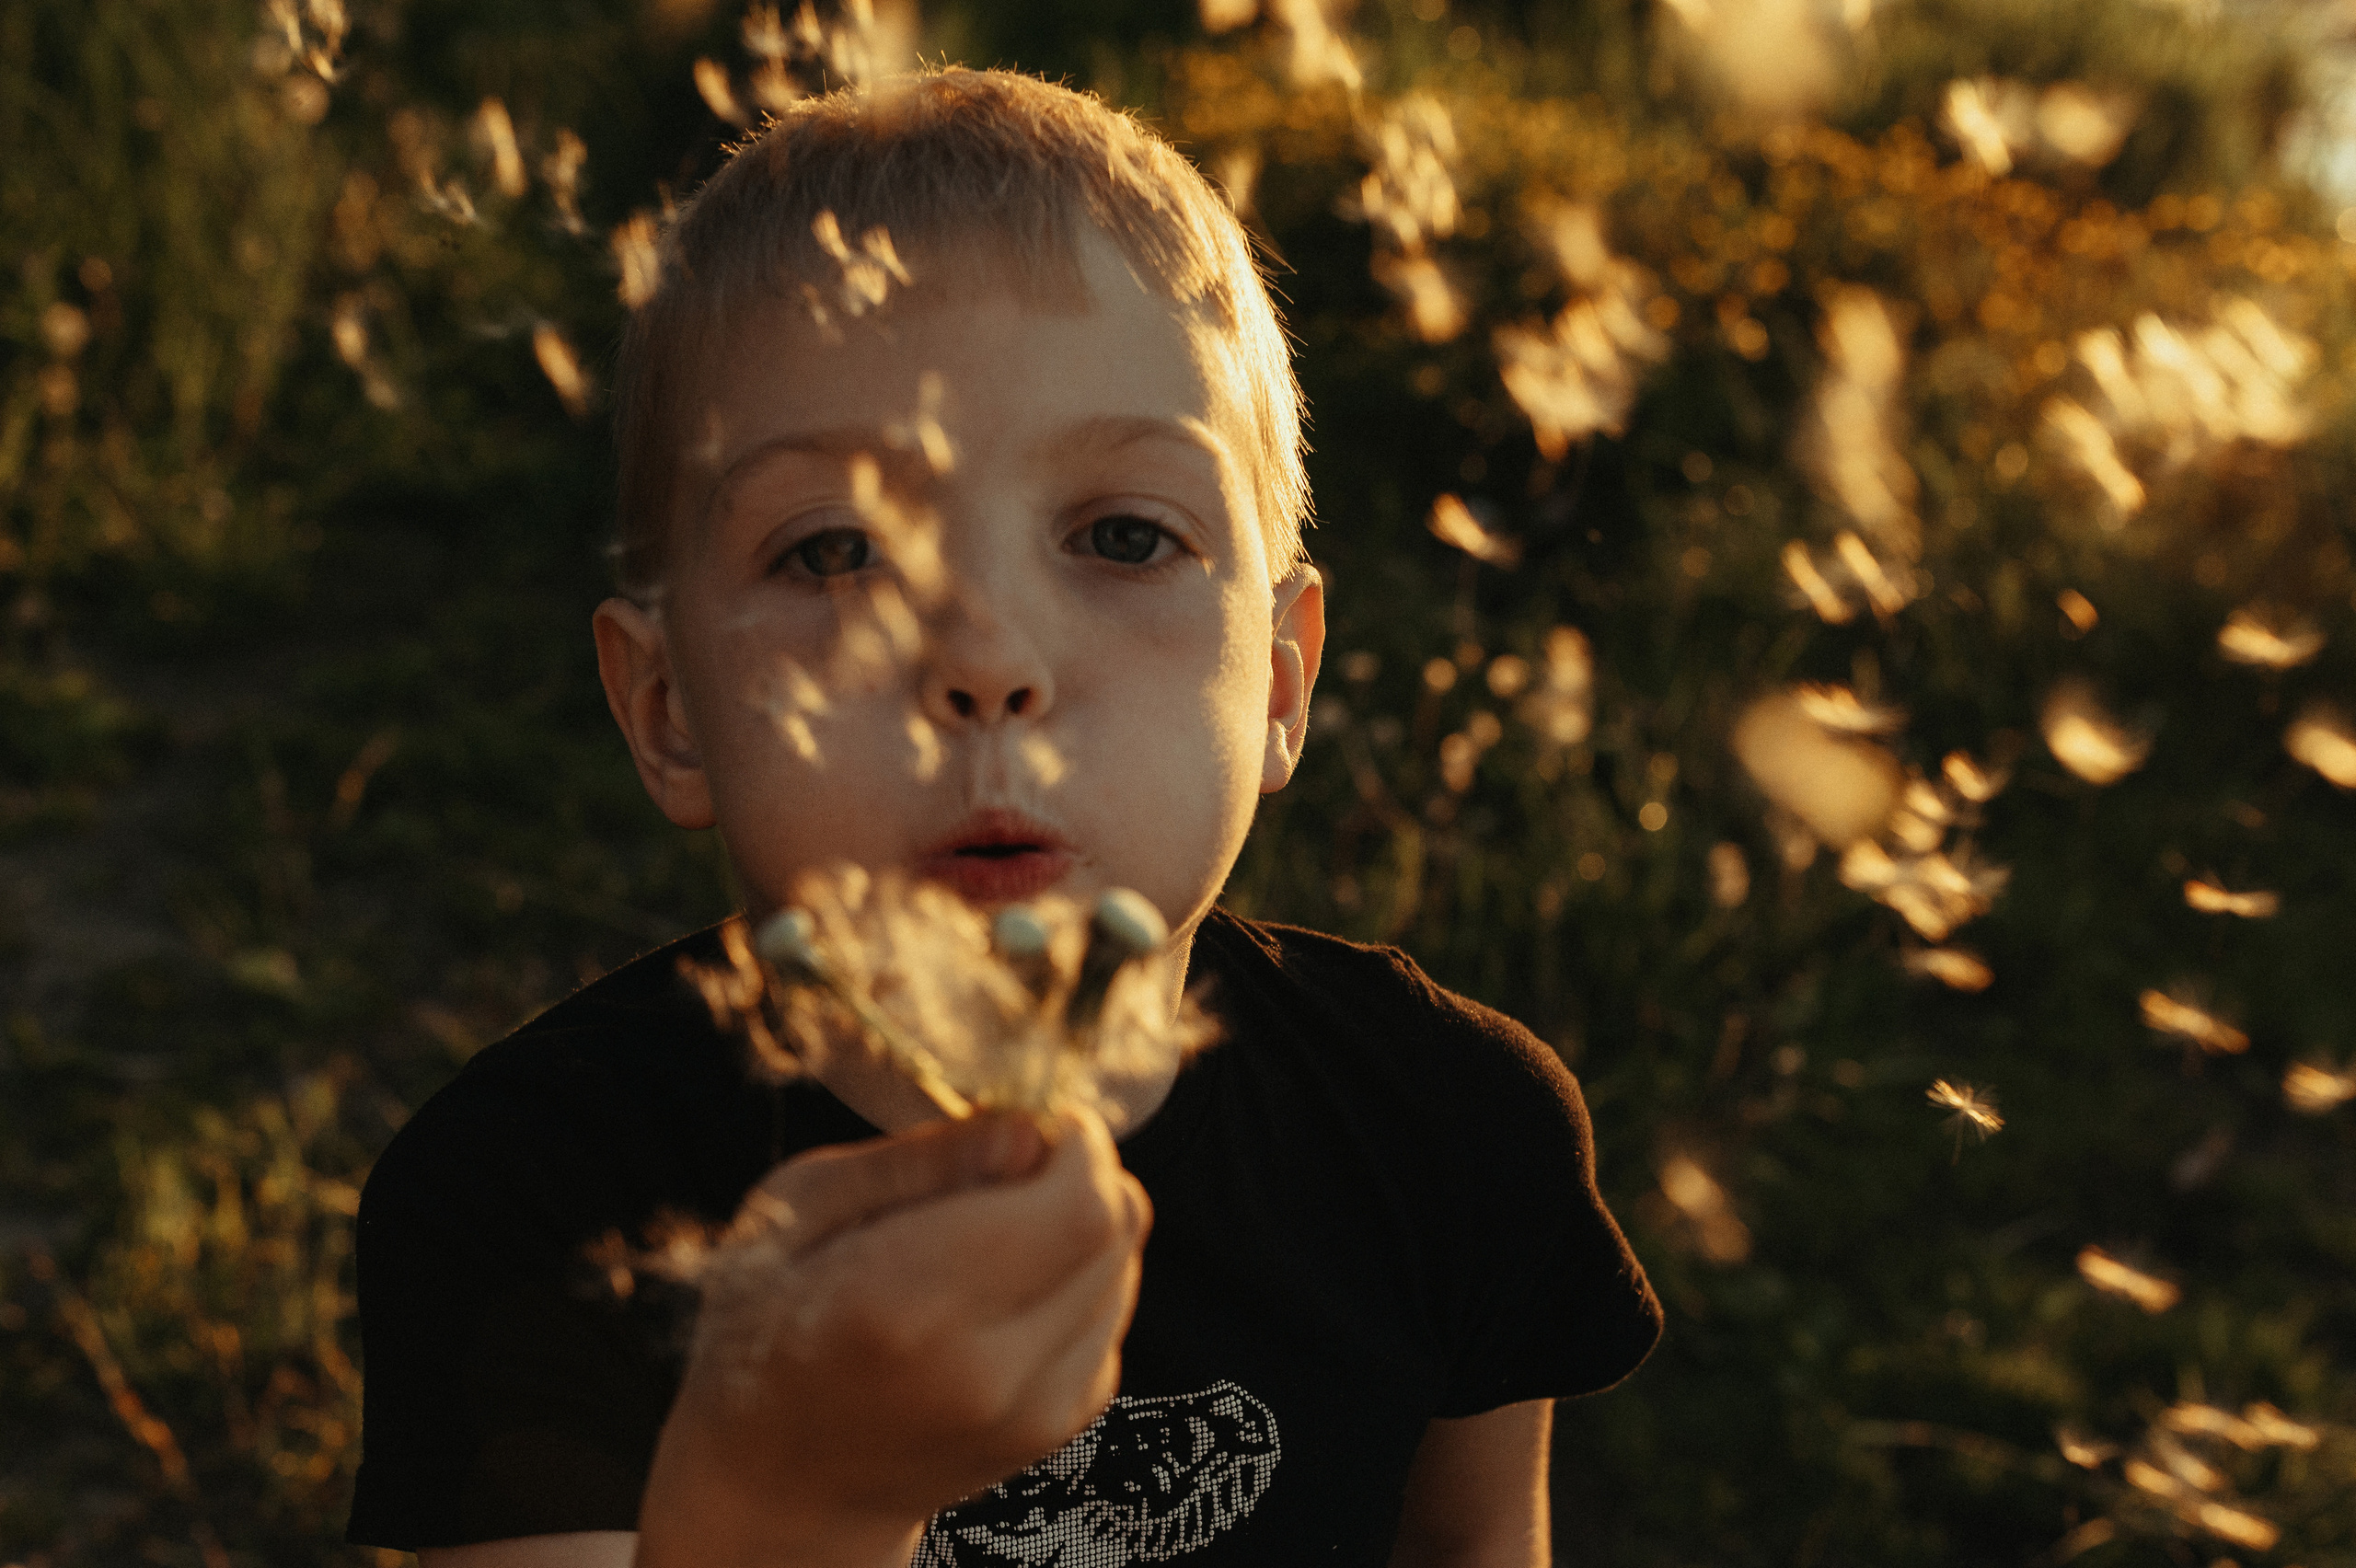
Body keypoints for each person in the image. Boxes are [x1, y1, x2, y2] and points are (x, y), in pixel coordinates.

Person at [348, 66, 1660, 1568]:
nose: (985, 664)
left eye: (1121, 535)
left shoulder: (1451, 1134)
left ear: (1284, 679)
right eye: (834, 550)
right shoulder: (532, 1205)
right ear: (669, 709)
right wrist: (793, 1501)